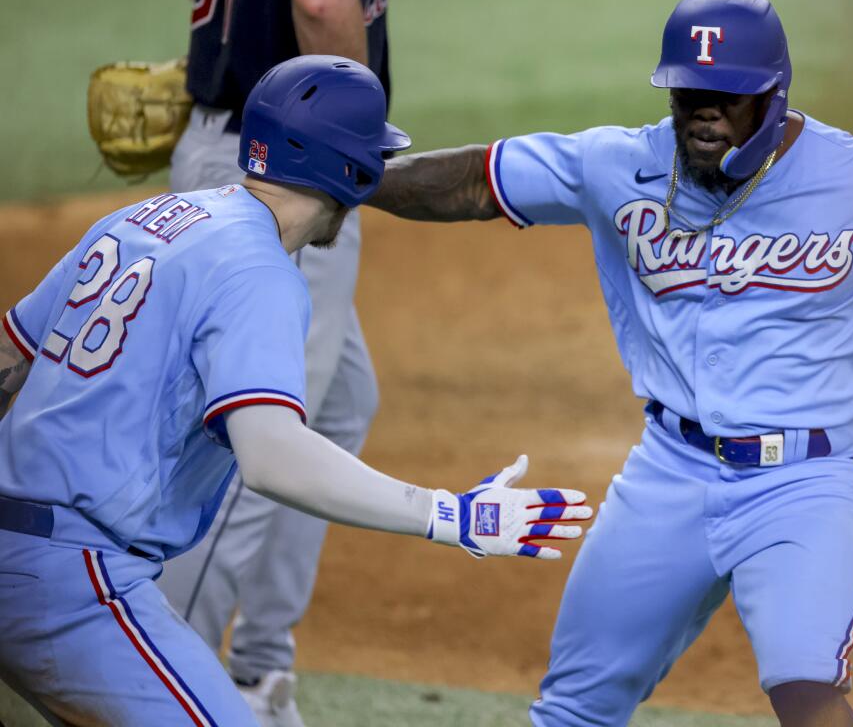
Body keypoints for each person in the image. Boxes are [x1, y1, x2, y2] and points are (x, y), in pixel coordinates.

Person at [363, 0, 853, 727]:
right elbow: (475, 181)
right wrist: (350, 178)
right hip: (666, 474)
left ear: (773, 96)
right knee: (572, 709)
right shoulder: (619, 165)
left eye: (726, 99)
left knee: (805, 688)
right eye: (686, 97)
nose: (703, 117)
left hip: (804, 483)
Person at [0, 56, 591, 727]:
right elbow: (271, 456)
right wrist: (449, 515)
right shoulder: (260, 273)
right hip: (71, 585)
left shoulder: (145, 216)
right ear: (352, 172)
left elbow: (8, 353)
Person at [162, 0, 393, 721]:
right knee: (259, 438)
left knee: (338, 405)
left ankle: (257, 673)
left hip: (230, 135)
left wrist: (226, 42)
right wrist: (350, 122)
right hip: (297, 163)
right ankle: (158, 681)